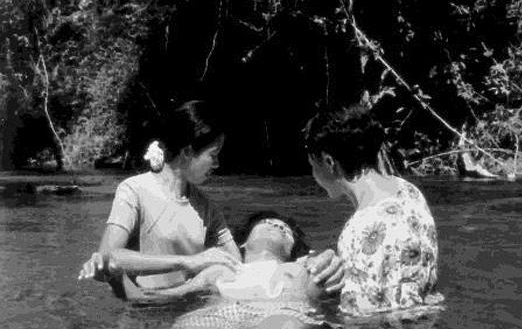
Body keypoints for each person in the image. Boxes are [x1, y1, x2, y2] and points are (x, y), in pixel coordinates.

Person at [78, 100, 344, 300]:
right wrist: (188, 261)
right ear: (187, 152)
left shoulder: (206, 206)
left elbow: (240, 267)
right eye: (213, 154)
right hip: (141, 308)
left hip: (187, 307)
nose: (217, 164)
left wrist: (307, 264)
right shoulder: (134, 191)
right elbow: (108, 257)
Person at [152, 211, 334, 329]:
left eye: (285, 230)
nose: (277, 227)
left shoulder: (298, 267)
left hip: (280, 310)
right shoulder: (219, 269)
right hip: (223, 311)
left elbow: (324, 269)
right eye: (267, 222)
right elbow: (174, 293)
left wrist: (323, 260)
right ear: (244, 242)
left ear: (292, 250)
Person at [305, 104, 443, 316]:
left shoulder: (358, 231)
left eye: (313, 165)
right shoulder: (409, 191)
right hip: (427, 323)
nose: (314, 175)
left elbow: (359, 318)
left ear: (329, 162)